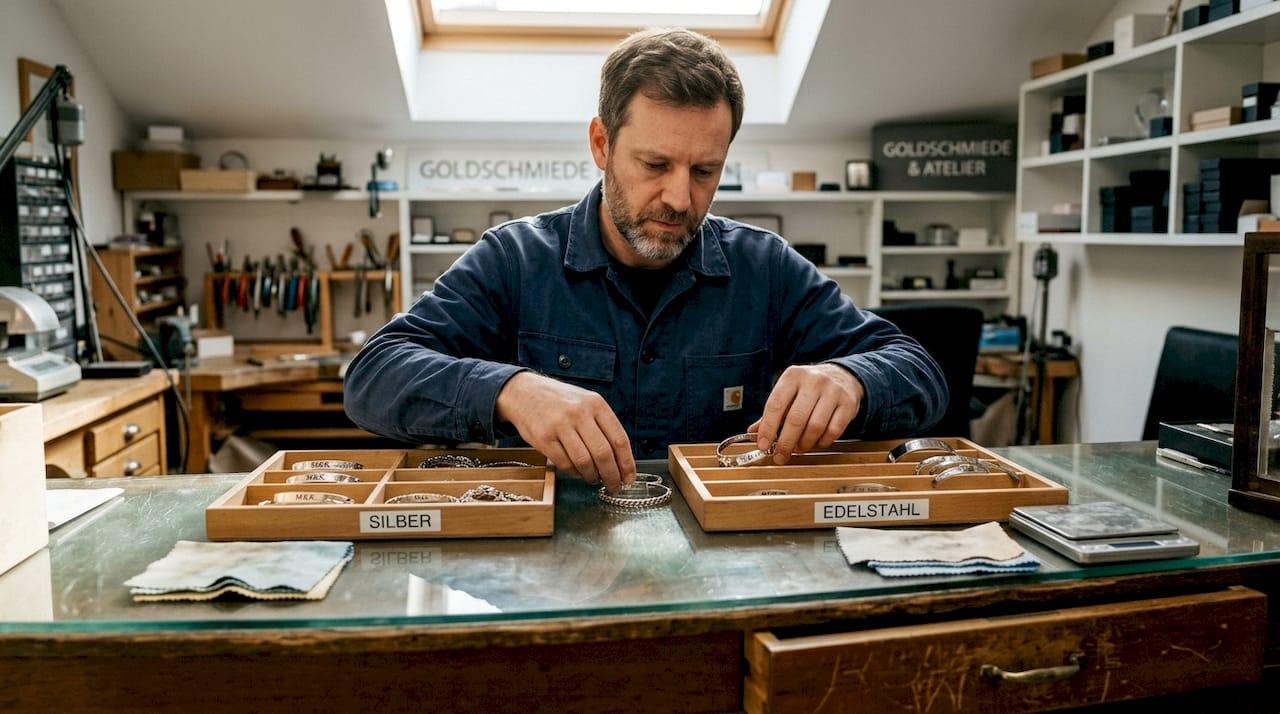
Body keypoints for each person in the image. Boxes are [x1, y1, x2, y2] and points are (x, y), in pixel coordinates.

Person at [344, 27, 947, 492]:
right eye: (655, 166)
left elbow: (918, 369)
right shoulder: (515, 259)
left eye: (705, 171)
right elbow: (372, 376)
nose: (681, 199)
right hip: (555, 575)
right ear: (602, 145)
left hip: (724, 573)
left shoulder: (767, 267)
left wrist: (850, 379)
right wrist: (511, 390)